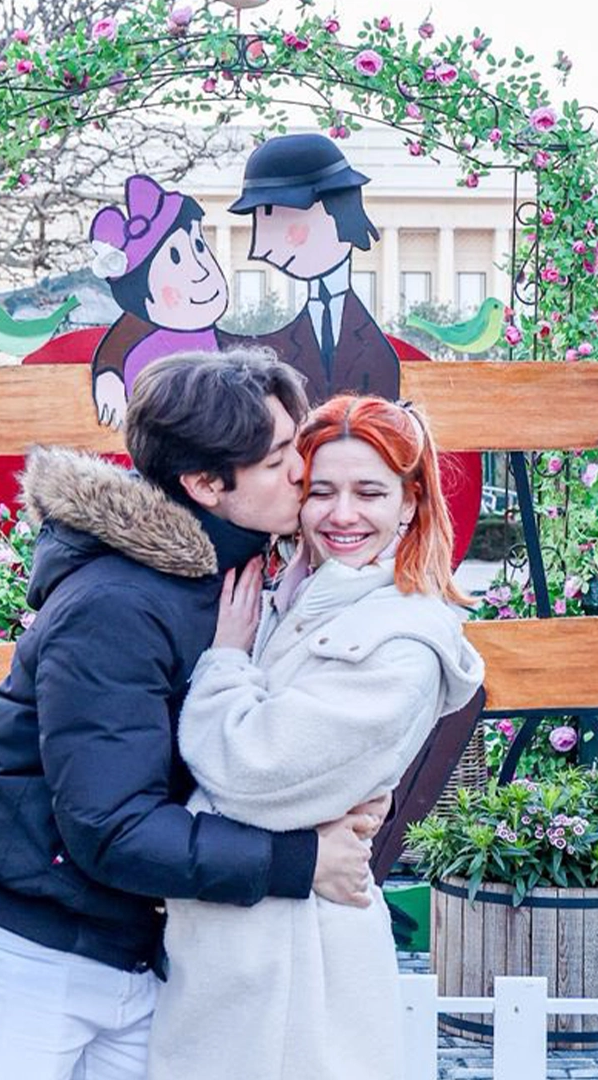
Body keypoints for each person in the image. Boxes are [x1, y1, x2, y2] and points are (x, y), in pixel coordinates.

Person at [0, 351, 380, 1080]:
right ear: (205, 484)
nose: (301, 473)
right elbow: (112, 826)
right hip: (34, 955)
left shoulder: (235, 577)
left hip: (142, 949)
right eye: (277, 462)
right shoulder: (116, 606)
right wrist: (300, 862)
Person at [147, 394, 486, 1080]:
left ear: (411, 502)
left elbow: (252, 772)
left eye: (370, 493)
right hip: (237, 951)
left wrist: (225, 660)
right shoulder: (298, 596)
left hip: (298, 966)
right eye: (321, 491)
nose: (341, 514)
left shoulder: (402, 642)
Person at [227, 132, 402, 403]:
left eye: (281, 221)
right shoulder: (276, 340)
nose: (262, 248)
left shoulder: (376, 349)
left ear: (336, 209)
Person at [88, 174, 230, 427]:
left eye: (199, 247)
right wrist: (108, 376)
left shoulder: (221, 344)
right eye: (175, 258)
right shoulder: (138, 341)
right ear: (142, 296)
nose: (201, 271)